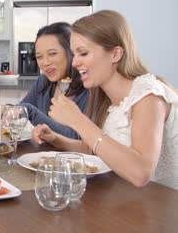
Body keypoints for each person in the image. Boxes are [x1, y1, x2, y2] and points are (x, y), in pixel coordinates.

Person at [32, 10, 178, 190]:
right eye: (74, 54)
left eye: (83, 53)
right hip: (127, 201)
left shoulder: (148, 95)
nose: (75, 63)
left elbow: (140, 172)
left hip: (163, 208)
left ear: (115, 54)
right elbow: (96, 149)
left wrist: (78, 121)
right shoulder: (104, 95)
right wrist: (56, 139)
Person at [19, 22, 89, 139]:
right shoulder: (42, 82)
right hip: (43, 156)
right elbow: (21, 110)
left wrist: (31, 111)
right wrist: (8, 111)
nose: (45, 62)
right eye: (39, 57)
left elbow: (79, 138)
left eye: (52, 54)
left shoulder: (89, 87)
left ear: (71, 52)